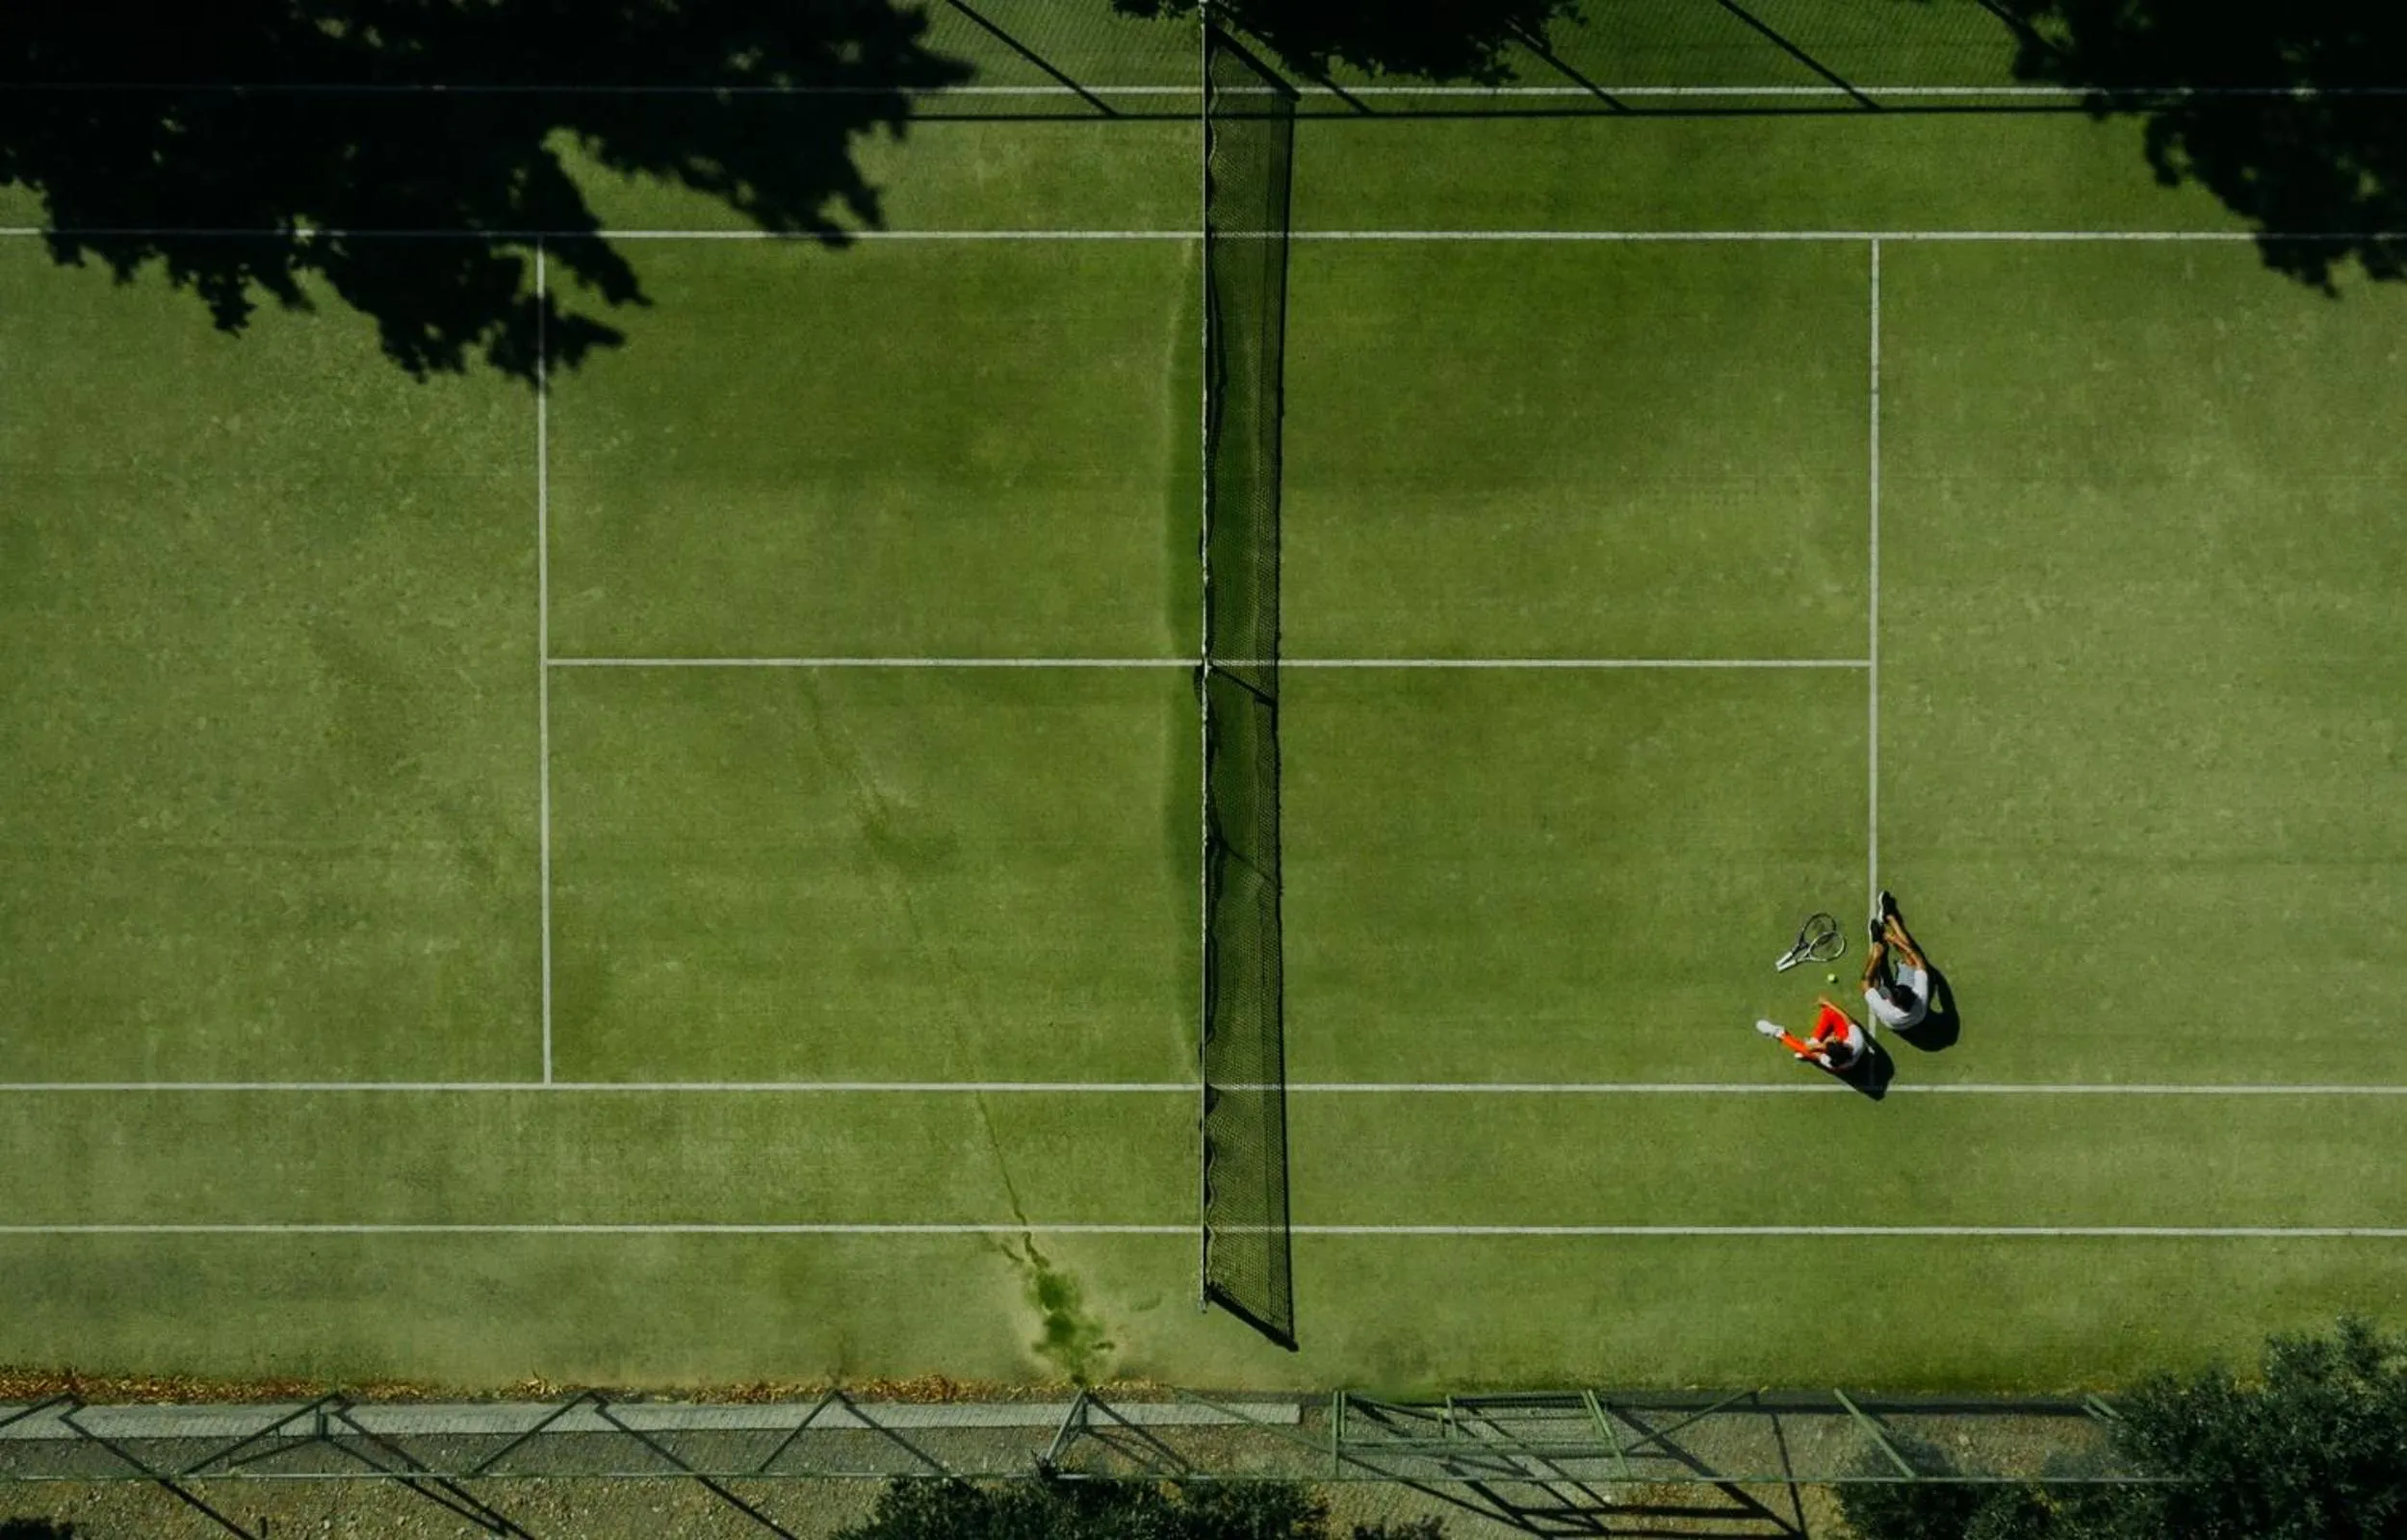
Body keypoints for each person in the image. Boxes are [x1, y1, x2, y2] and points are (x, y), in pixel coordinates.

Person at [1861, 887, 1931, 1031]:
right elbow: (1916, 957)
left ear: (1893, 1002)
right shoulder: (1920, 995)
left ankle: (1876, 943)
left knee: (1873, 981)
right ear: (1913, 993)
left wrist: (1875, 958)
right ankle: (1890, 917)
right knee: (1911, 959)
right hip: (1913, 1015)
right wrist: (1894, 940)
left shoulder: (1886, 1010)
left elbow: (1864, 983)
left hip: (1896, 1025)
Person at [1754, 997, 1868, 1072]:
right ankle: (1814, 1039)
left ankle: (1779, 1033)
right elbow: (1846, 1018)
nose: (1833, 1036)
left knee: (1805, 1050)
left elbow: (1809, 1048)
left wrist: (1818, 1045)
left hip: (1844, 1068)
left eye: (1832, 1038)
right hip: (1844, 1050)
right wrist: (1828, 1003)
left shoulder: (1830, 1061)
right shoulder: (1856, 1038)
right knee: (1829, 1011)